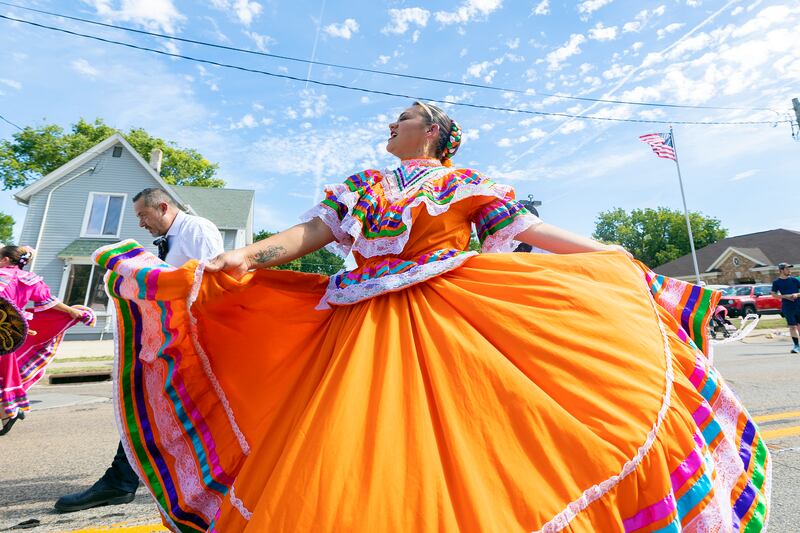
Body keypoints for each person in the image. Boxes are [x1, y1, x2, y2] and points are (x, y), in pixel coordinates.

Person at [92, 103, 769, 531]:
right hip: (357, 329)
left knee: (470, 452)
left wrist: (616, 256)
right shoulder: (362, 184)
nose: (391, 123)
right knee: (352, 458)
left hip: (453, 318)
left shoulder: (464, 182)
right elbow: (308, 235)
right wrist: (248, 255)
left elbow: (533, 231)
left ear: (436, 133)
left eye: (405, 116)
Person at [54, 188, 224, 512]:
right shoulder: (162, 241)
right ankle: (126, 480)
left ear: (163, 207)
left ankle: (122, 482)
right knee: (157, 406)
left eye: (143, 215)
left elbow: (210, 283)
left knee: (154, 406)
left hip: (194, 340)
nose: (141, 223)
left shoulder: (196, 230)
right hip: (168, 338)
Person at [0, 245, 93, 436]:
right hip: (11, 335)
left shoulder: (2, 276)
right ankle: (9, 412)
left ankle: (9, 412)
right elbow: (49, 301)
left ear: (6, 260)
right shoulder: (29, 279)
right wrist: (73, 312)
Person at [771, 262, 800, 353]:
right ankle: (796, 346)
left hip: (798, 305)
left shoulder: (794, 280)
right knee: (792, 327)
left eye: (789, 268)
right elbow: (773, 294)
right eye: (787, 268)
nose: (789, 270)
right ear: (781, 270)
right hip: (787, 307)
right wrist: (785, 296)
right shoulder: (776, 282)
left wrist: (797, 294)